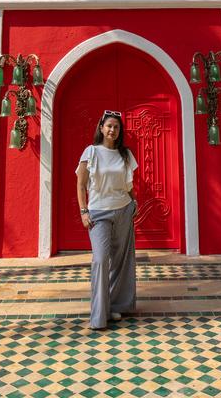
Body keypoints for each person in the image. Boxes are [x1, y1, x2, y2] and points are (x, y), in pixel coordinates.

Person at [76, 109, 138, 330]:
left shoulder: (125, 154)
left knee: (121, 262)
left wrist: (134, 203)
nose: (112, 130)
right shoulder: (90, 152)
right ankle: (99, 316)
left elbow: (128, 185)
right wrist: (84, 211)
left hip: (123, 209)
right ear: (101, 128)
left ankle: (115, 305)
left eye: (117, 127)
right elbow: (81, 185)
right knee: (101, 260)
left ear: (120, 131)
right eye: (109, 126)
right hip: (98, 214)